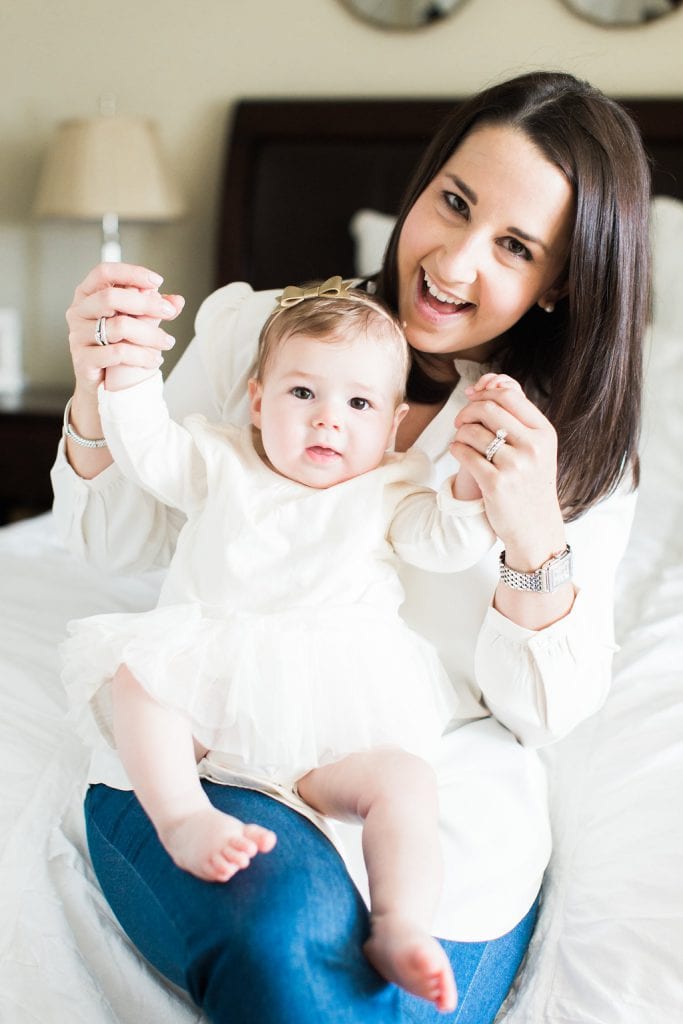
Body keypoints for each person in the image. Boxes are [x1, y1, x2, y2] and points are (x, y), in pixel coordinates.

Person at [52, 70, 650, 1024]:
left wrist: (528, 531)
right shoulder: (267, 333)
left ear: (561, 283)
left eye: (513, 246)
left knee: (376, 985)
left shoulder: (559, 442)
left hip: (422, 773)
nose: (452, 264)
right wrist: (100, 389)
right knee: (282, 937)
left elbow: (540, 715)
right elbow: (115, 542)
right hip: (221, 745)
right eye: (452, 203)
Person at [61, 283, 500, 1014]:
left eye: (359, 405)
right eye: (303, 391)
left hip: (333, 724)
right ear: (258, 401)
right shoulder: (219, 457)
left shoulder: (393, 487)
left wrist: (469, 478)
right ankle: (180, 816)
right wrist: (131, 375)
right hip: (214, 695)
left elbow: (449, 541)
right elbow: (148, 452)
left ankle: (400, 922)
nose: (329, 417)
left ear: (394, 425)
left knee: (406, 783)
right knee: (138, 675)